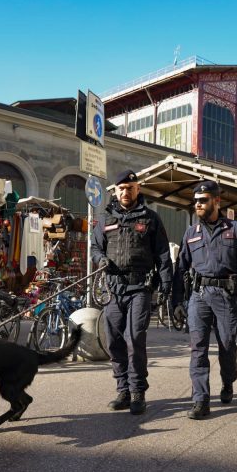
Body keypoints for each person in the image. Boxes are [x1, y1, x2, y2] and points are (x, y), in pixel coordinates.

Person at [171, 180, 237, 420]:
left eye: (203, 200)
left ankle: (228, 382)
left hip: (225, 296)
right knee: (198, 348)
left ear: (216, 201)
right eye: (196, 200)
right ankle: (201, 400)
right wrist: (176, 302)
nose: (197, 204)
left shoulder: (235, 229)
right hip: (199, 297)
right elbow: (180, 270)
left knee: (227, 346)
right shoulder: (191, 233)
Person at [91, 170, 173, 415]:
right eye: (121, 188)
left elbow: (163, 254)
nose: (126, 192)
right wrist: (100, 259)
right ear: (115, 191)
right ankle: (123, 390)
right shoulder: (105, 219)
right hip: (113, 288)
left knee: (134, 338)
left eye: (130, 187)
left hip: (140, 287)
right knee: (114, 339)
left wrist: (166, 286)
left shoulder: (151, 218)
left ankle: (138, 392)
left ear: (138, 190)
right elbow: (95, 247)